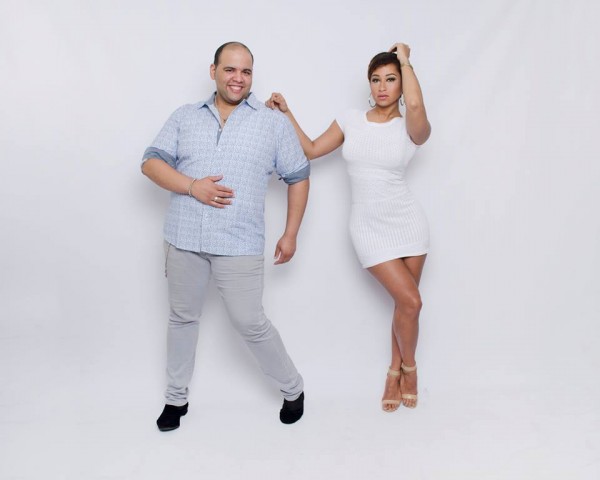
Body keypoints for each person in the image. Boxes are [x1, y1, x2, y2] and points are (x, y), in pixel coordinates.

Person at [142, 41, 309, 431]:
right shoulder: (185, 117)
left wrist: (290, 233)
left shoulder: (272, 123)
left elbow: (299, 176)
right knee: (182, 318)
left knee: (250, 322)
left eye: (246, 71)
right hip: (184, 238)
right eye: (230, 69)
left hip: (239, 242)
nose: (238, 78)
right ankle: (175, 399)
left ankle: (293, 388)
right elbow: (150, 163)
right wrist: (192, 186)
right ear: (213, 71)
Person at [267, 42, 431, 412]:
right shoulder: (351, 120)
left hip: (408, 224)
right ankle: (410, 367)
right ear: (368, 84)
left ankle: (396, 371)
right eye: (376, 79)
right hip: (368, 228)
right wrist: (287, 113)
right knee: (411, 301)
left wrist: (405, 59)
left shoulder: (411, 127)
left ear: (403, 83)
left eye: (391, 79)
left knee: (405, 305)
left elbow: (416, 104)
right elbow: (310, 149)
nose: (383, 87)